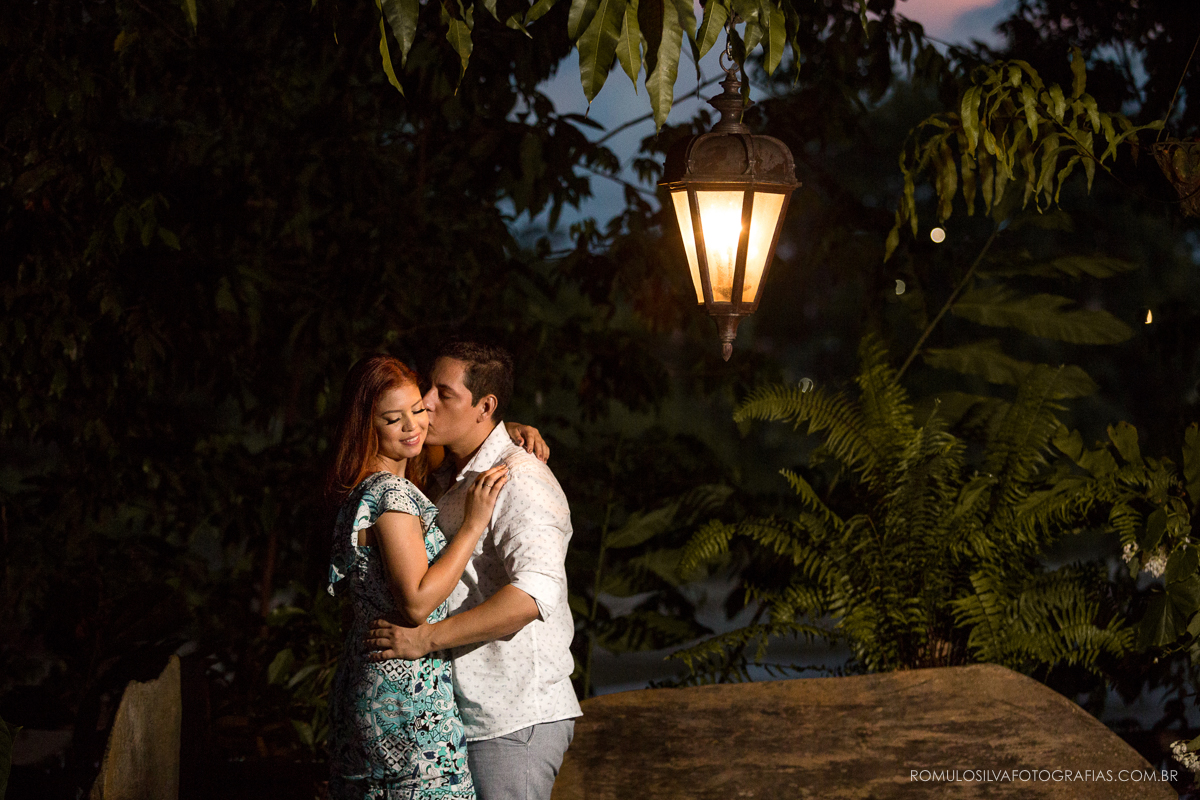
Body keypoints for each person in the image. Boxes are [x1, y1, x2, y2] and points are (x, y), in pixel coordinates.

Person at [324, 353, 548, 800]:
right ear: (367, 426)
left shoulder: (377, 487)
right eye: (394, 418)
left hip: (377, 686)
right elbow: (417, 601)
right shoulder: (390, 494)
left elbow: (463, 434)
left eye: (420, 409)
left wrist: (508, 429)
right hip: (405, 700)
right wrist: (472, 524)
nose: (414, 426)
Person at [365, 340, 581, 800]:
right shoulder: (446, 476)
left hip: (514, 716)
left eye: (445, 394)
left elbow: (530, 598)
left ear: (486, 406)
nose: (424, 402)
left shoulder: (520, 481)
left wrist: (423, 640)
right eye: (427, 386)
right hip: (462, 716)